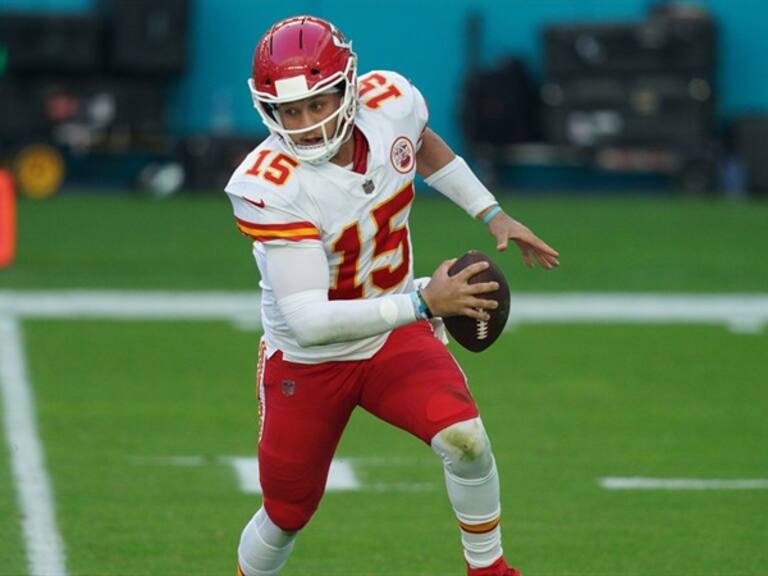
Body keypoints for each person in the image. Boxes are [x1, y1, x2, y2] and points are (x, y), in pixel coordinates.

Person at [225, 15, 559, 576]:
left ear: (349, 87)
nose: (306, 123)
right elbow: (309, 321)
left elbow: (421, 146)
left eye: (318, 102)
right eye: (290, 111)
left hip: (391, 333)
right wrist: (427, 303)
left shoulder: (391, 103)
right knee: (287, 512)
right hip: (309, 361)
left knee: (466, 440)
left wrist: (491, 212)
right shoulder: (267, 185)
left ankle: (490, 570)